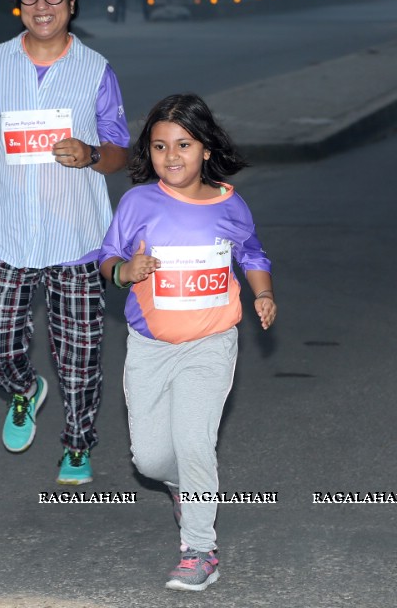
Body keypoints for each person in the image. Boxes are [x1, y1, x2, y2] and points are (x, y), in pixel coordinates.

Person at [0, 0, 130, 485]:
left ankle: (77, 444)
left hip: (75, 233)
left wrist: (90, 154)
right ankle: (23, 388)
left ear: (72, 3)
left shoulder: (96, 71)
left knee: (79, 354)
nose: (42, 5)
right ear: (19, 4)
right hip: (8, 226)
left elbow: (120, 150)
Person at [99, 94, 276, 591]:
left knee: (194, 440)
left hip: (211, 343)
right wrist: (124, 273)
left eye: (183, 144)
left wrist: (262, 293)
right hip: (151, 346)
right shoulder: (138, 202)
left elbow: (252, 253)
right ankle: (183, 488)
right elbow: (108, 259)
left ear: (205, 148)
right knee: (151, 458)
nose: (171, 156)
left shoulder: (229, 204)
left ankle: (200, 549)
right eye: (159, 146)